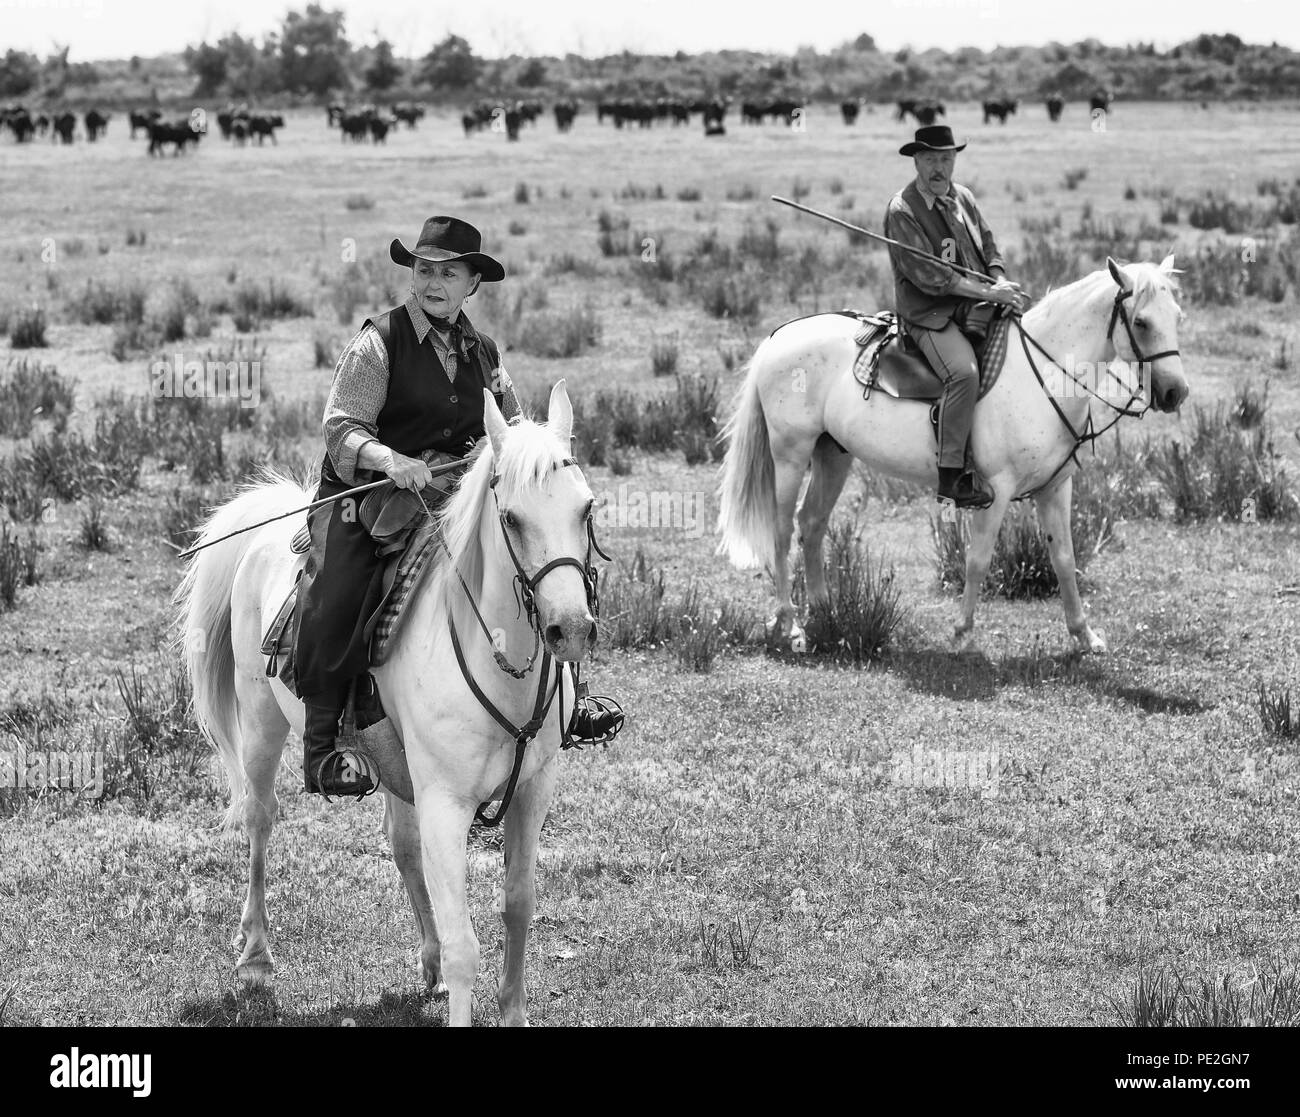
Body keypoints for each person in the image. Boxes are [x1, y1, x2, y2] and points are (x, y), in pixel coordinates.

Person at [295, 216, 618, 797]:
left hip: (458, 496)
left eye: (449, 273)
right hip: (370, 496)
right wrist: (392, 460)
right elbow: (340, 429)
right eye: (423, 270)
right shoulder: (379, 343)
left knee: (545, 560)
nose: (432, 283)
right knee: (336, 592)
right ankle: (325, 742)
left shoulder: (483, 352)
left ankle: (569, 694)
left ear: (472, 284)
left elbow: (513, 429)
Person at [883, 125, 1031, 509]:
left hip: (976, 302)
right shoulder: (903, 210)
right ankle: (952, 476)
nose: (939, 167)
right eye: (931, 159)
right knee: (964, 373)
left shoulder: (962, 196)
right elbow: (931, 277)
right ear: (916, 160)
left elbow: (988, 245)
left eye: (946, 158)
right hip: (929, 313)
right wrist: (987, 292)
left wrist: (1000, 282)